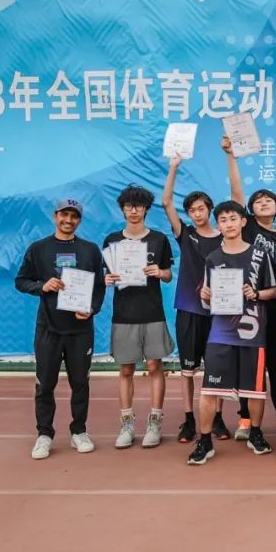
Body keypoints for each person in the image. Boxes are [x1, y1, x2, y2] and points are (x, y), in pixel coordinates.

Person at [187, 201, 276, 465]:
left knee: (256, 390)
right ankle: (205, 441)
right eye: (223, 220)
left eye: (233, 219)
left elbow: (273, 291)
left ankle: (256, 433)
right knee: (209, 389)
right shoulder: (213, 258)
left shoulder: (260, 254)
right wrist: (205, 296)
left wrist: (256, 293)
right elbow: (207, 299)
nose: (228, 224)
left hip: (252, 332)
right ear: (219, 225)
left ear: (243, 222)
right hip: (221, 334)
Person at [15, 198, 106, 460]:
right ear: (55, 216)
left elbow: (99, 286)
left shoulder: (90, 250)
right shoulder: (38, 249)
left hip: (80, 330)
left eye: (74, 216)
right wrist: (42, 286)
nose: (68, 220)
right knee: (45, 385)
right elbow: (21, 281)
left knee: (81, 383)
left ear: (79, 220)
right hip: (49, 329)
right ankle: (44, 434)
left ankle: (79, 431)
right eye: (64, 215)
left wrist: (92, 308)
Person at [222, 135, 276, 439]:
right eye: (257, 201)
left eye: (268, 200)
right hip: (247, 306)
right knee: (249, 365)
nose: (263, 202)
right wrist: (231, 156)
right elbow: (237, 192)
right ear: (248, 211)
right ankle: (246, 419)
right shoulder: (248, 227)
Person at [102, 185, 174, 450]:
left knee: (155, 367)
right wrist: (107, 279)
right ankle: (127, 424)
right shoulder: (112, 240)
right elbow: (106, 274)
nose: (134, 211)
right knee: (126, 370)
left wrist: (160, 272)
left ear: (146, 210)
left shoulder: (158, 239)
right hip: (123, 315)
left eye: (139, 206)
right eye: (129, 206)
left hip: (152, 312)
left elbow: (168, 275)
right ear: (123, 210)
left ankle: (155, 422)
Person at [161, 157, 224, 443]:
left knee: (216, 367)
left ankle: (218, 418)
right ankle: (188, 419)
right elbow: (166, 203)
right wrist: (174, 167)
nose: (197, 213)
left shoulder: (225, 237)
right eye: (192, 210)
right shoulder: (184, 234)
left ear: (209, 209)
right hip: (189, 309)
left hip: (220, 312)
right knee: (188, 370)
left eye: (201, 208)